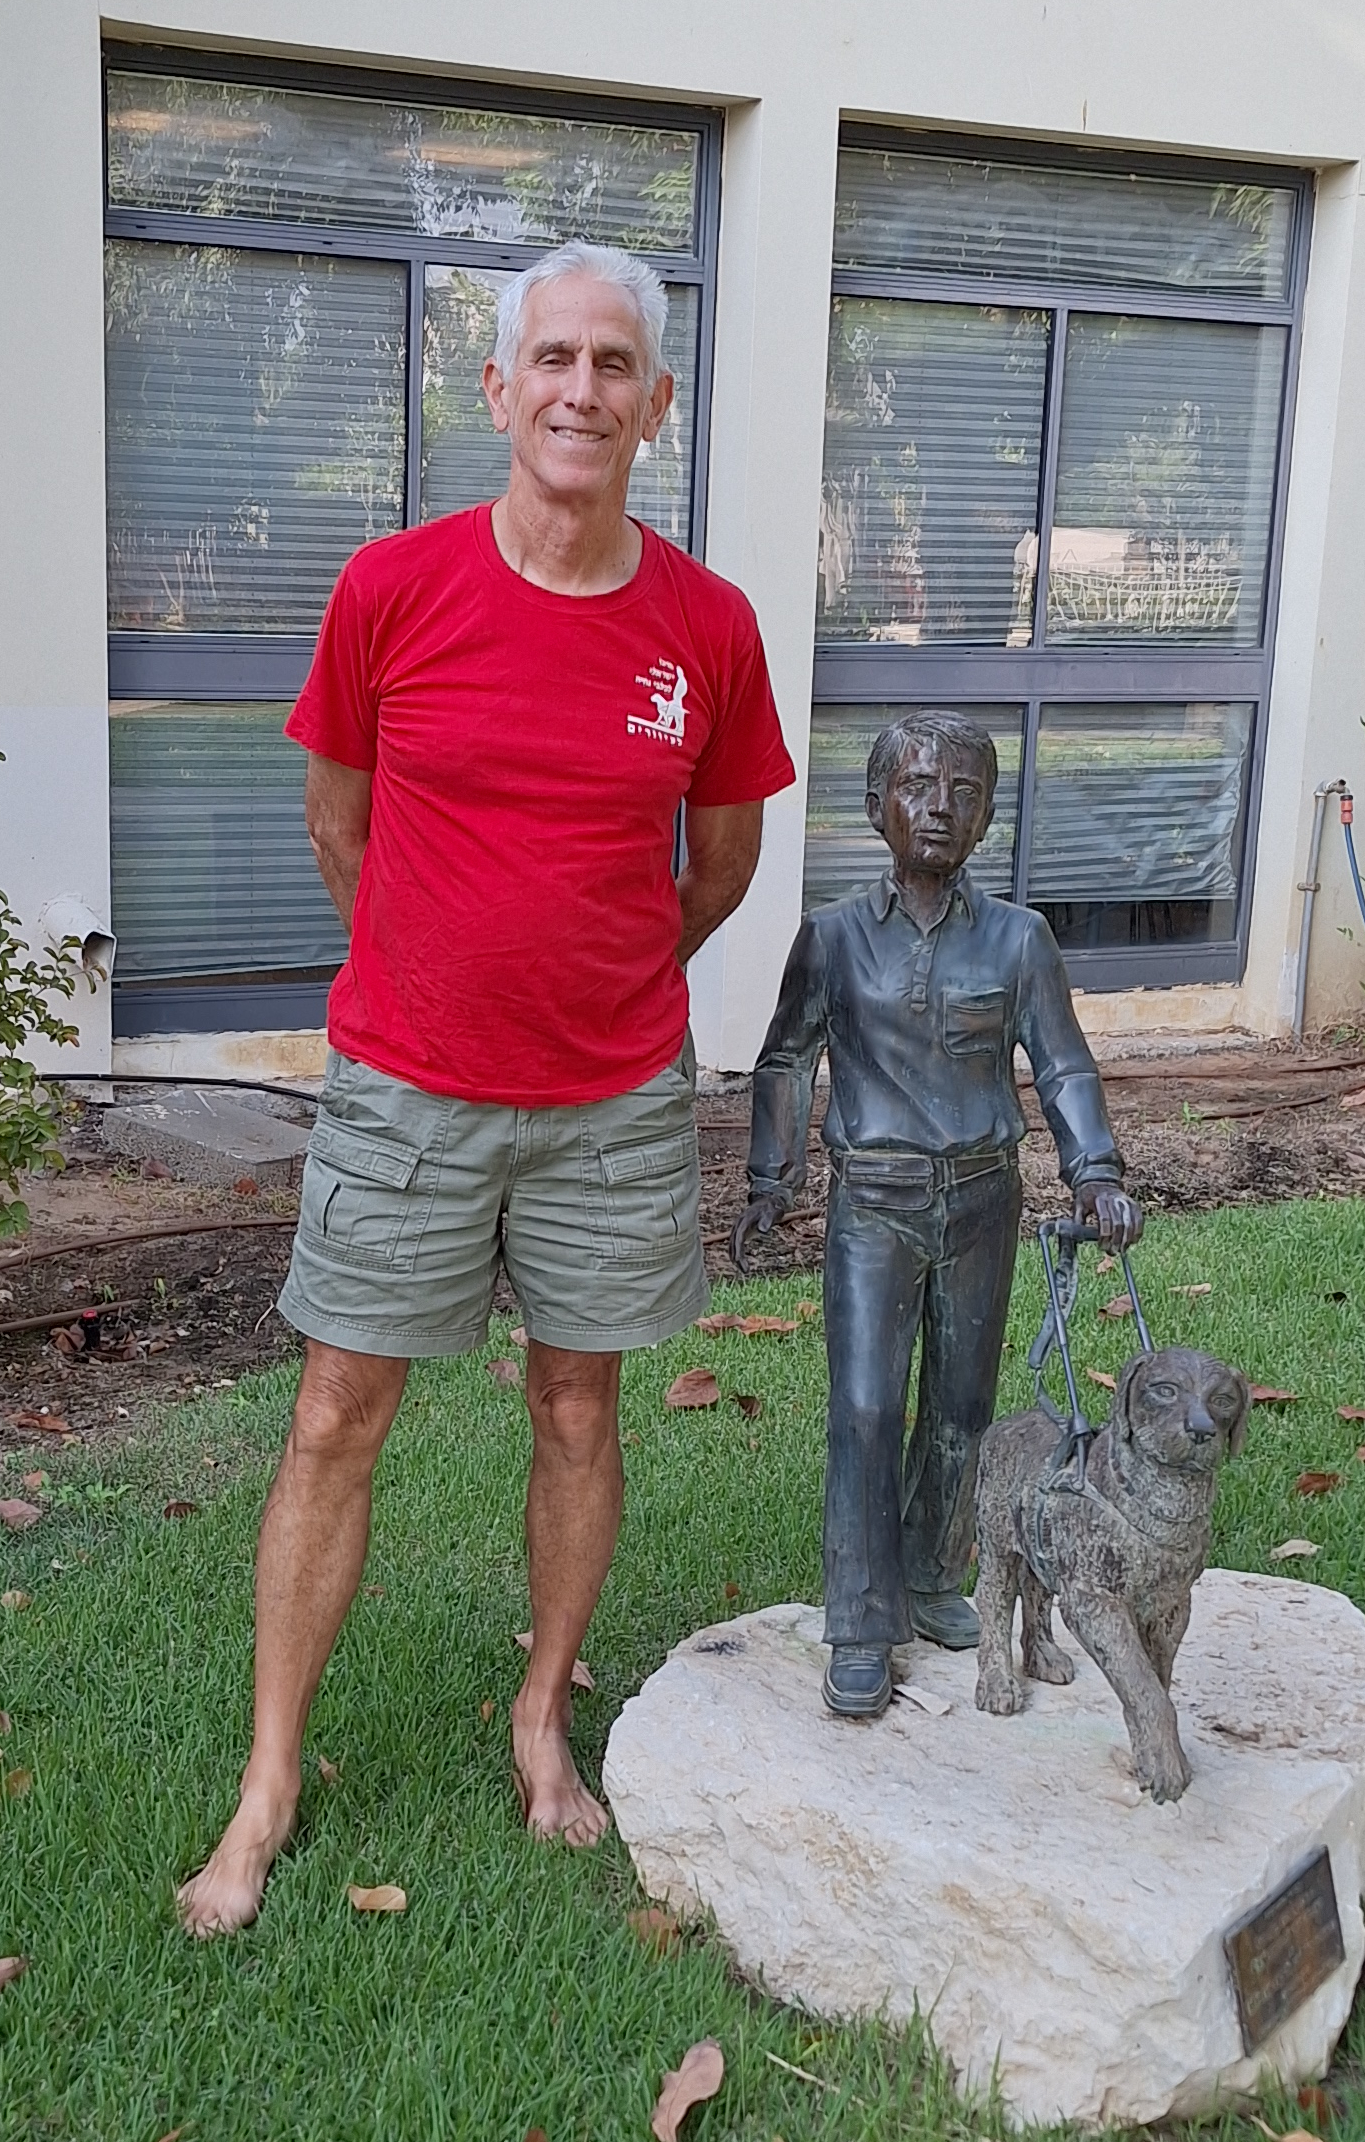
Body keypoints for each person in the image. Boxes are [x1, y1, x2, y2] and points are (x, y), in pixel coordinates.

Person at [177, 240, 794, 1936]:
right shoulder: (394, 588)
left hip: (609, 1100)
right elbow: (336, 823)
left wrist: (598, 972)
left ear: (654, 403)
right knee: (332, 1421)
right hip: (407, 1089)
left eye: (613, 364)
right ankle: (270, 1774)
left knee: (578, 1409)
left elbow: (723, 860)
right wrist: (435, 972)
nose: (580, 390)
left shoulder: (708, 627)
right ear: (499, 385)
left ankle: (541, 1710)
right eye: (553, 359)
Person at [732, 711, 1139, 1719]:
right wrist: (770, 1182)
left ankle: (928, 1573)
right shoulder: (829, 939)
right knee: (868, 1411)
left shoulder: (1018, 939)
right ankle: (861, 1619)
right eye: (917, 785)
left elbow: (1063, 1064)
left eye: (963, 790)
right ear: (876, 806)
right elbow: (787, 1060)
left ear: (987, 815)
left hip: (981, 1200)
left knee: (960, 1414)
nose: (939, 807)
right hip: (873, 1204)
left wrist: (1093, 1169)